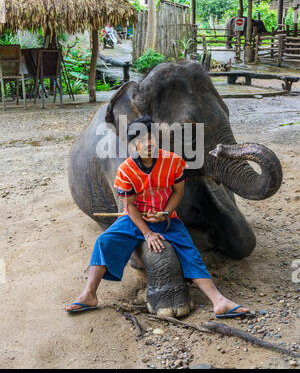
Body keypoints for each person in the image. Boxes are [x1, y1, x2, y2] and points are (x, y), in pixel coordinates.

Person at [64, 115, 250, 318]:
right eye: (141, 140)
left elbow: (178, 191)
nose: (148, 143)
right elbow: (130, 206)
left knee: (190, 252)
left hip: (165, 216)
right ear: (134, 145)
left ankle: (219, 301)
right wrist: (147, 233)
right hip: (135, 218)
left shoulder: (173, 161)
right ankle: (89, 294)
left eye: (151, 137)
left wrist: (166, 213)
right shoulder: (126, 170)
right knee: (103, 241)